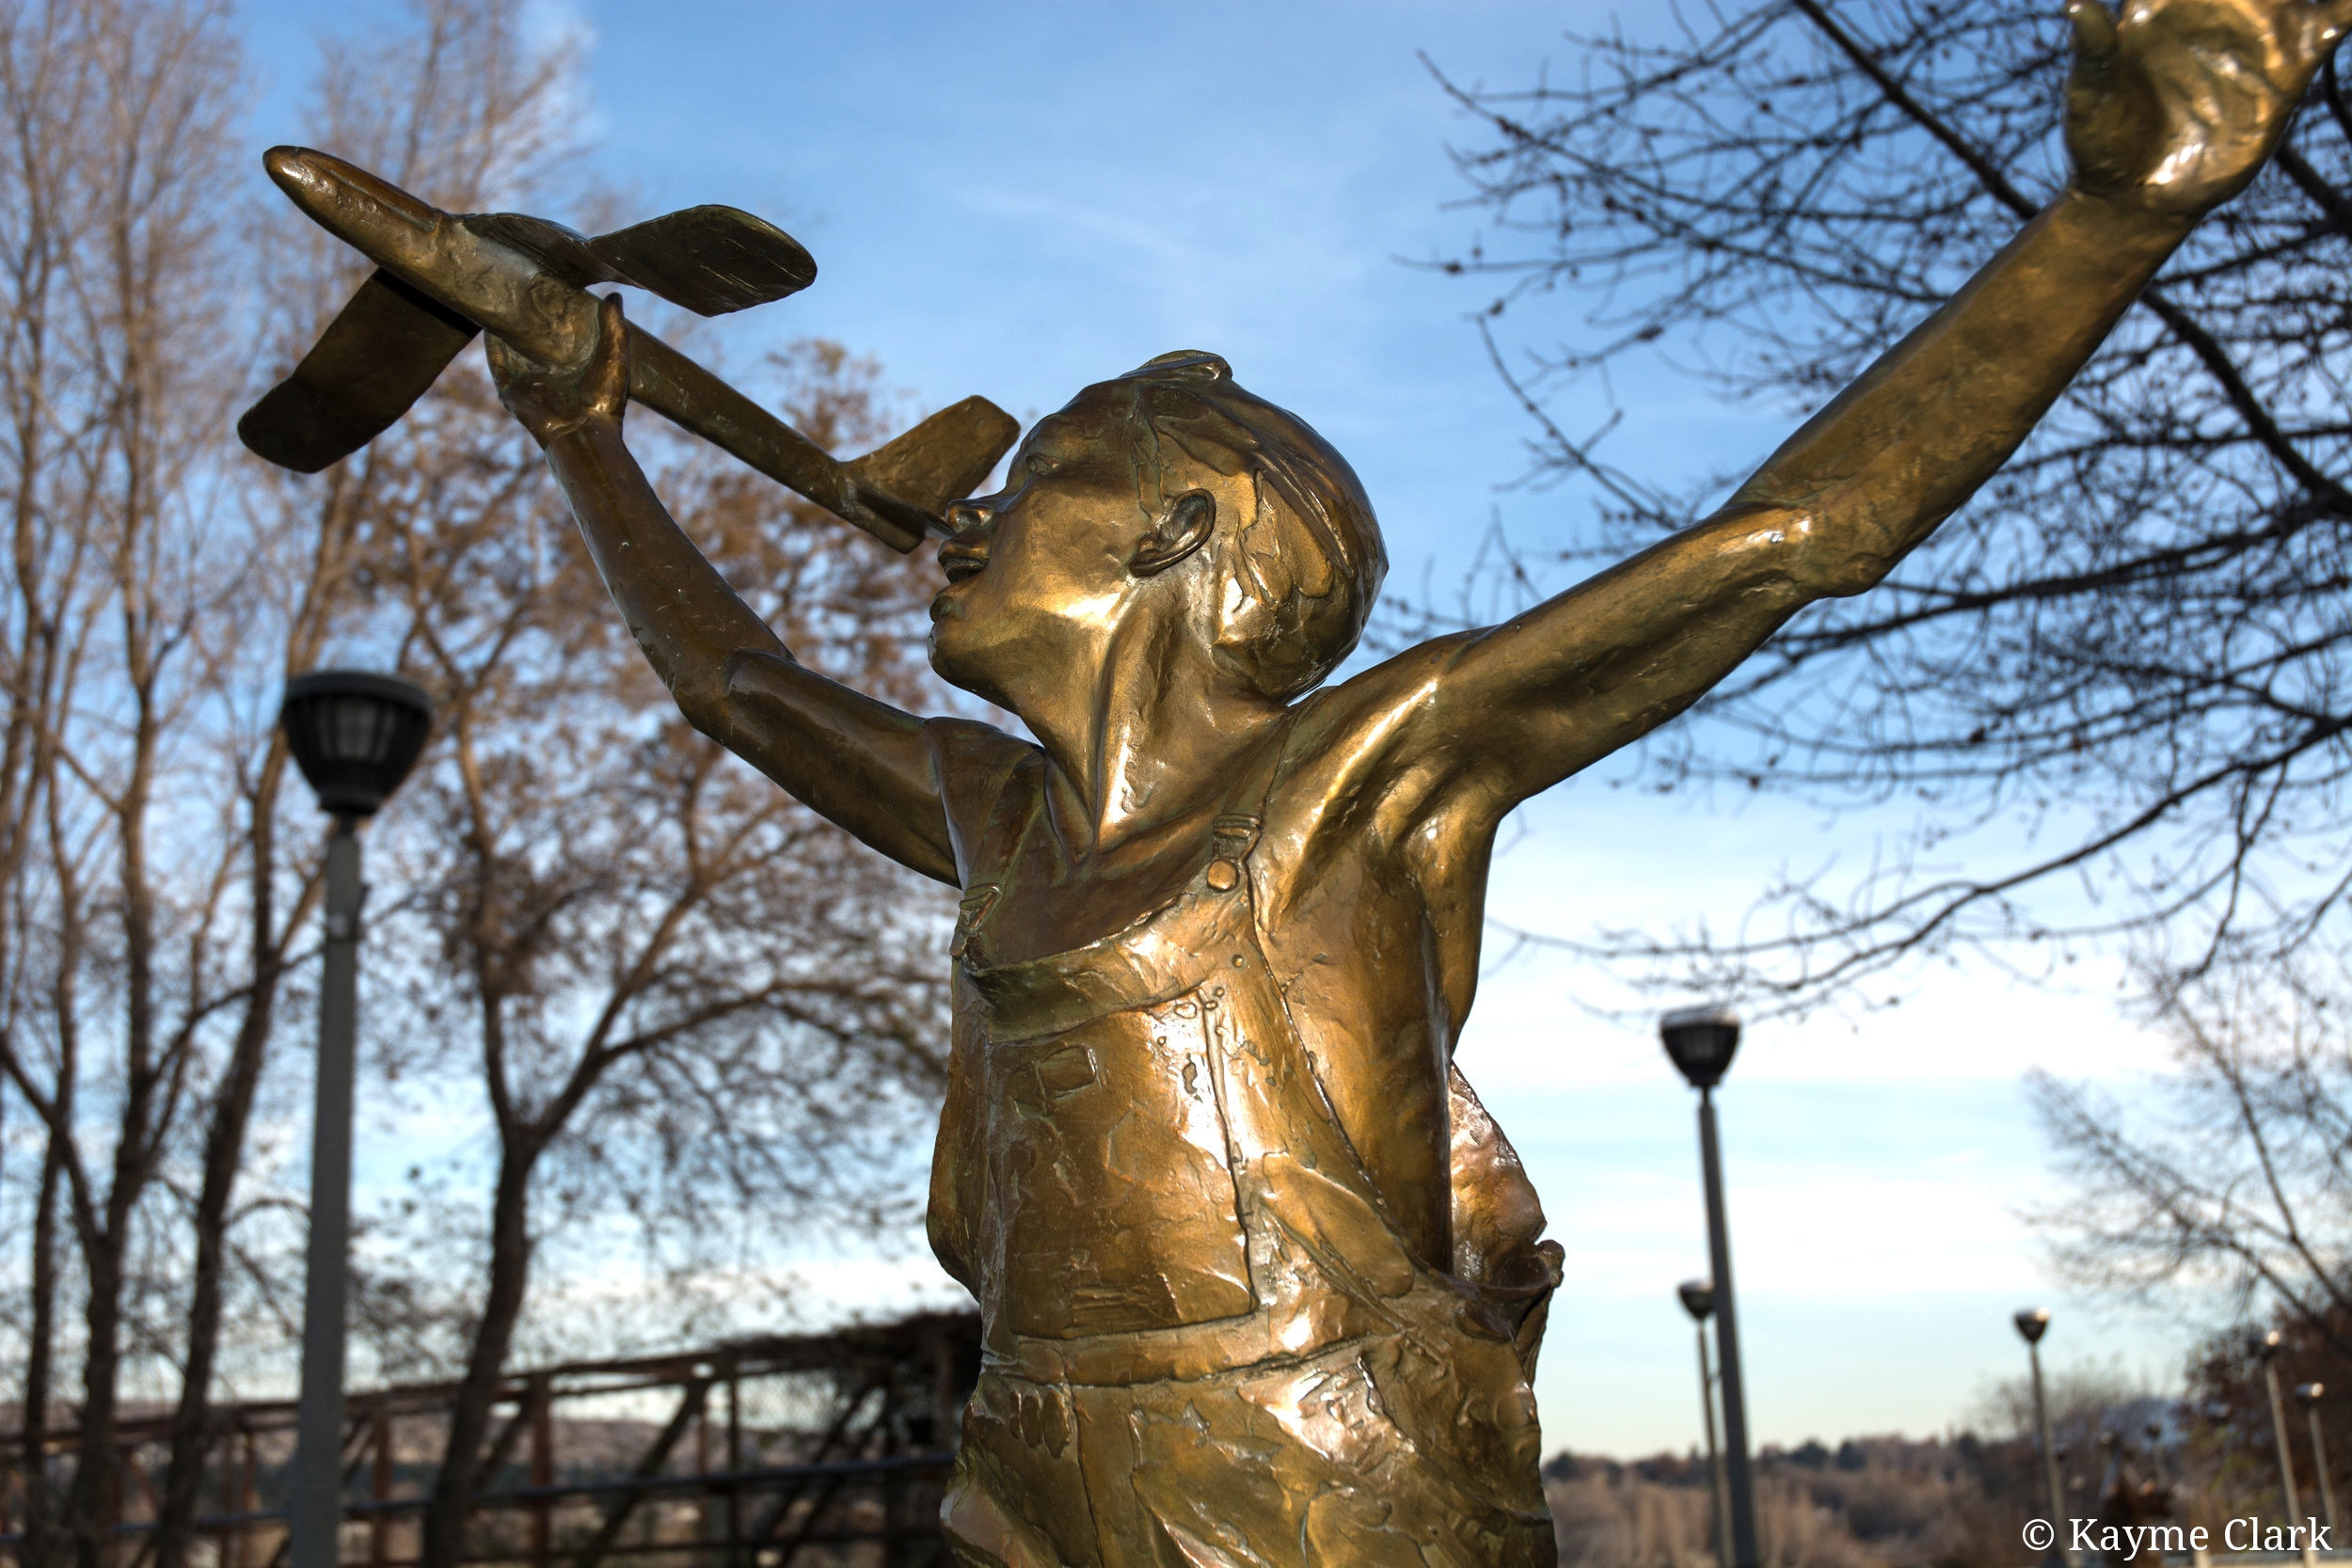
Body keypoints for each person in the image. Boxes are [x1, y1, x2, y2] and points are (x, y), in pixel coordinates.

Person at [486, 4, 2348, 1561]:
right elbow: (729, 679)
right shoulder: (997, 815)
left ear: (1170, 534)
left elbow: (1790, 534)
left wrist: (2111, 217)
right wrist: (584, 434)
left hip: (1321, 1471)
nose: (963, 517)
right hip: (1025, 1469)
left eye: (1033, 473)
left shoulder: (1369, 775)